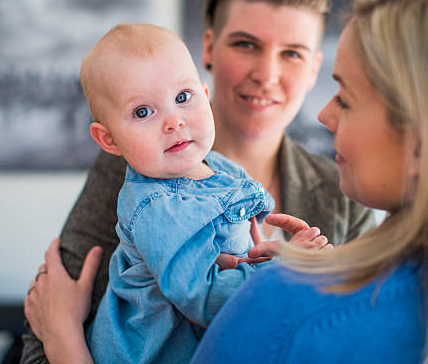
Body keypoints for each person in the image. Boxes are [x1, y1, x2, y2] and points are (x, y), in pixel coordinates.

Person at [25, 0, 428, 364]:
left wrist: (63, 335)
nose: (266, 74)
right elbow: (40, 335)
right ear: (209, 50)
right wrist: (62, 333)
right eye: (246, 44)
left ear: (314, 67)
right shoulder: (139, 173)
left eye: (293, 53)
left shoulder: (344, 187)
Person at [75, 22, 331, 364]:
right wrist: (284, 268)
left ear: (204, 97)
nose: (174, 121)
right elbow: (205, 301)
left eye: (182, 98)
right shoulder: (158, 206)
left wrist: (283, 252)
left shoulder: (219, 167)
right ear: (108, 139)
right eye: (143, 112)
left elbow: (253, 239)